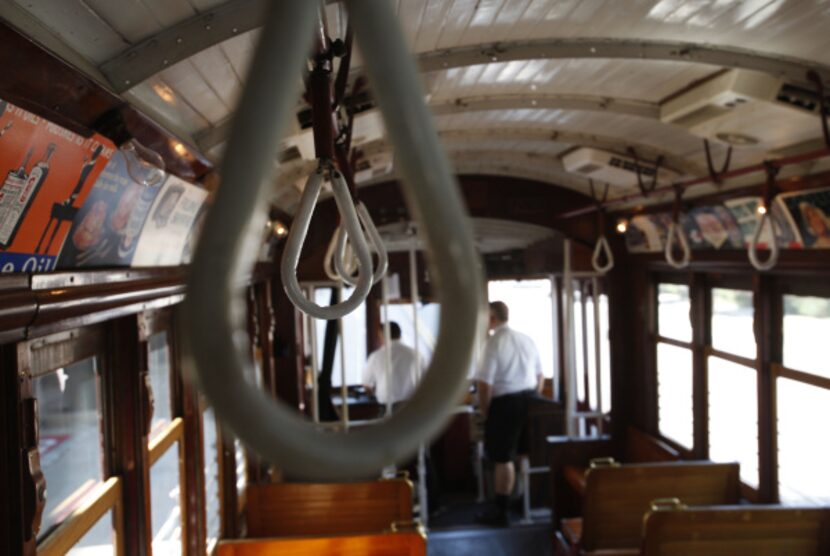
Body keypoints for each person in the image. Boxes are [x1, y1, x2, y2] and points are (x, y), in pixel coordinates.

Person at [475, 301, 544, 526]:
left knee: (502, 457)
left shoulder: (494, 343)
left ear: (492, 319)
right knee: (523, 454)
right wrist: (533, 400)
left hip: (505, 404)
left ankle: (501, 511)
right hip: (531, 399)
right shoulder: (526, 339)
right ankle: (522, 501)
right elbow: (540, 376)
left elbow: (484, 384)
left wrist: (485, 412)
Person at [362, 321, 425, 412]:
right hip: (413, 407)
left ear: (382, 336)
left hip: (388, 409)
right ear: (400, 334)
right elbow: (426, 379)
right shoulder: (416, 354)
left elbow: (366, 384)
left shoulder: (376, 356)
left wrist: (373, 393)